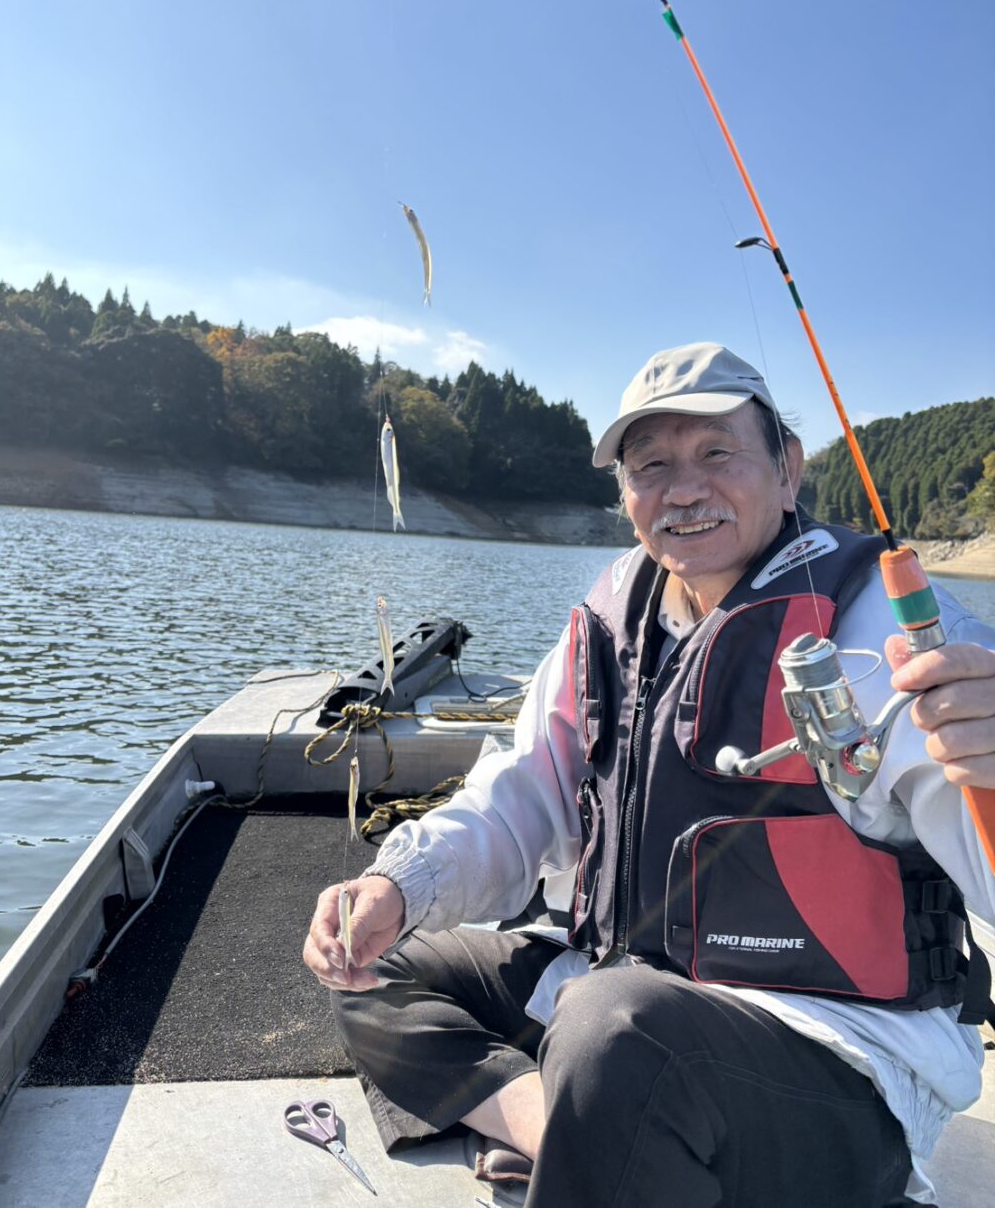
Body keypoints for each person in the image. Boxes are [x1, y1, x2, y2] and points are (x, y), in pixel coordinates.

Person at [305, 342, 995, 1206]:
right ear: (626, 496)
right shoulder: (607, 619)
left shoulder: (881, 633)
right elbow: (521, 795)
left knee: (613, 1034)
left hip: (839, 1052)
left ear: (789, 469)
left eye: (716, 454)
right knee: (375, 966)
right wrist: (398, 885)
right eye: (652, 466)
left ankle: (610, 1120)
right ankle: (564, 1126)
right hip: (627, 995)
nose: (684, 489)